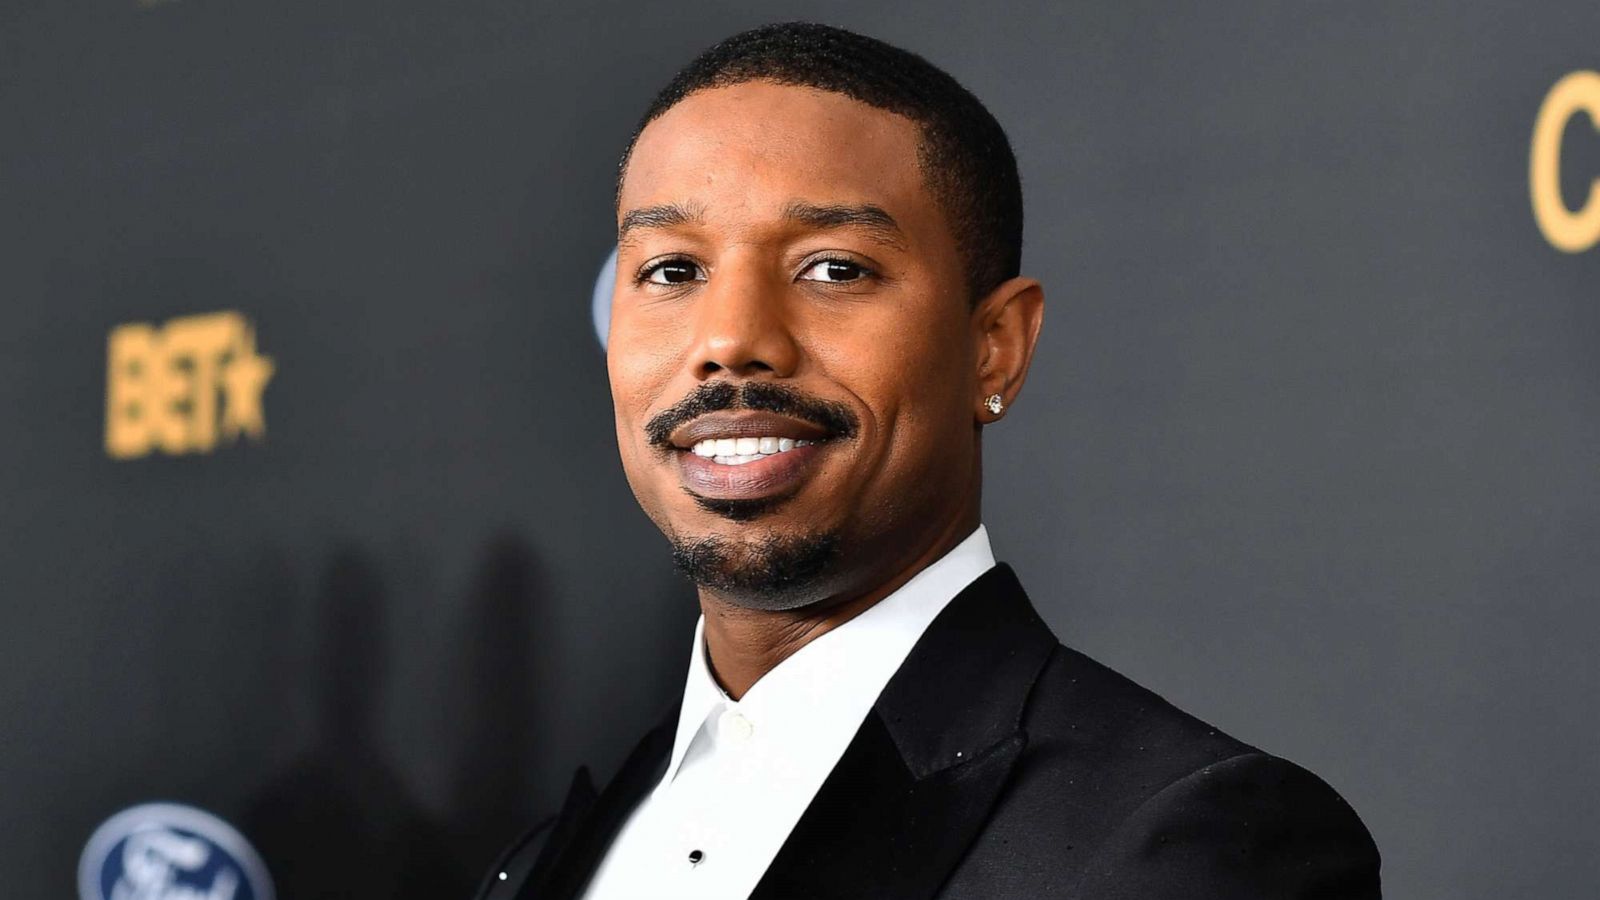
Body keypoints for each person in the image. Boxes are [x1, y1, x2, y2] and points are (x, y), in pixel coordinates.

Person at [477, 21, 1381, 900]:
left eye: (833, 269)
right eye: (672, 270)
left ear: (995, 347)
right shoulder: (547, 863)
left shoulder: (1186, 843)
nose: (730, 339)